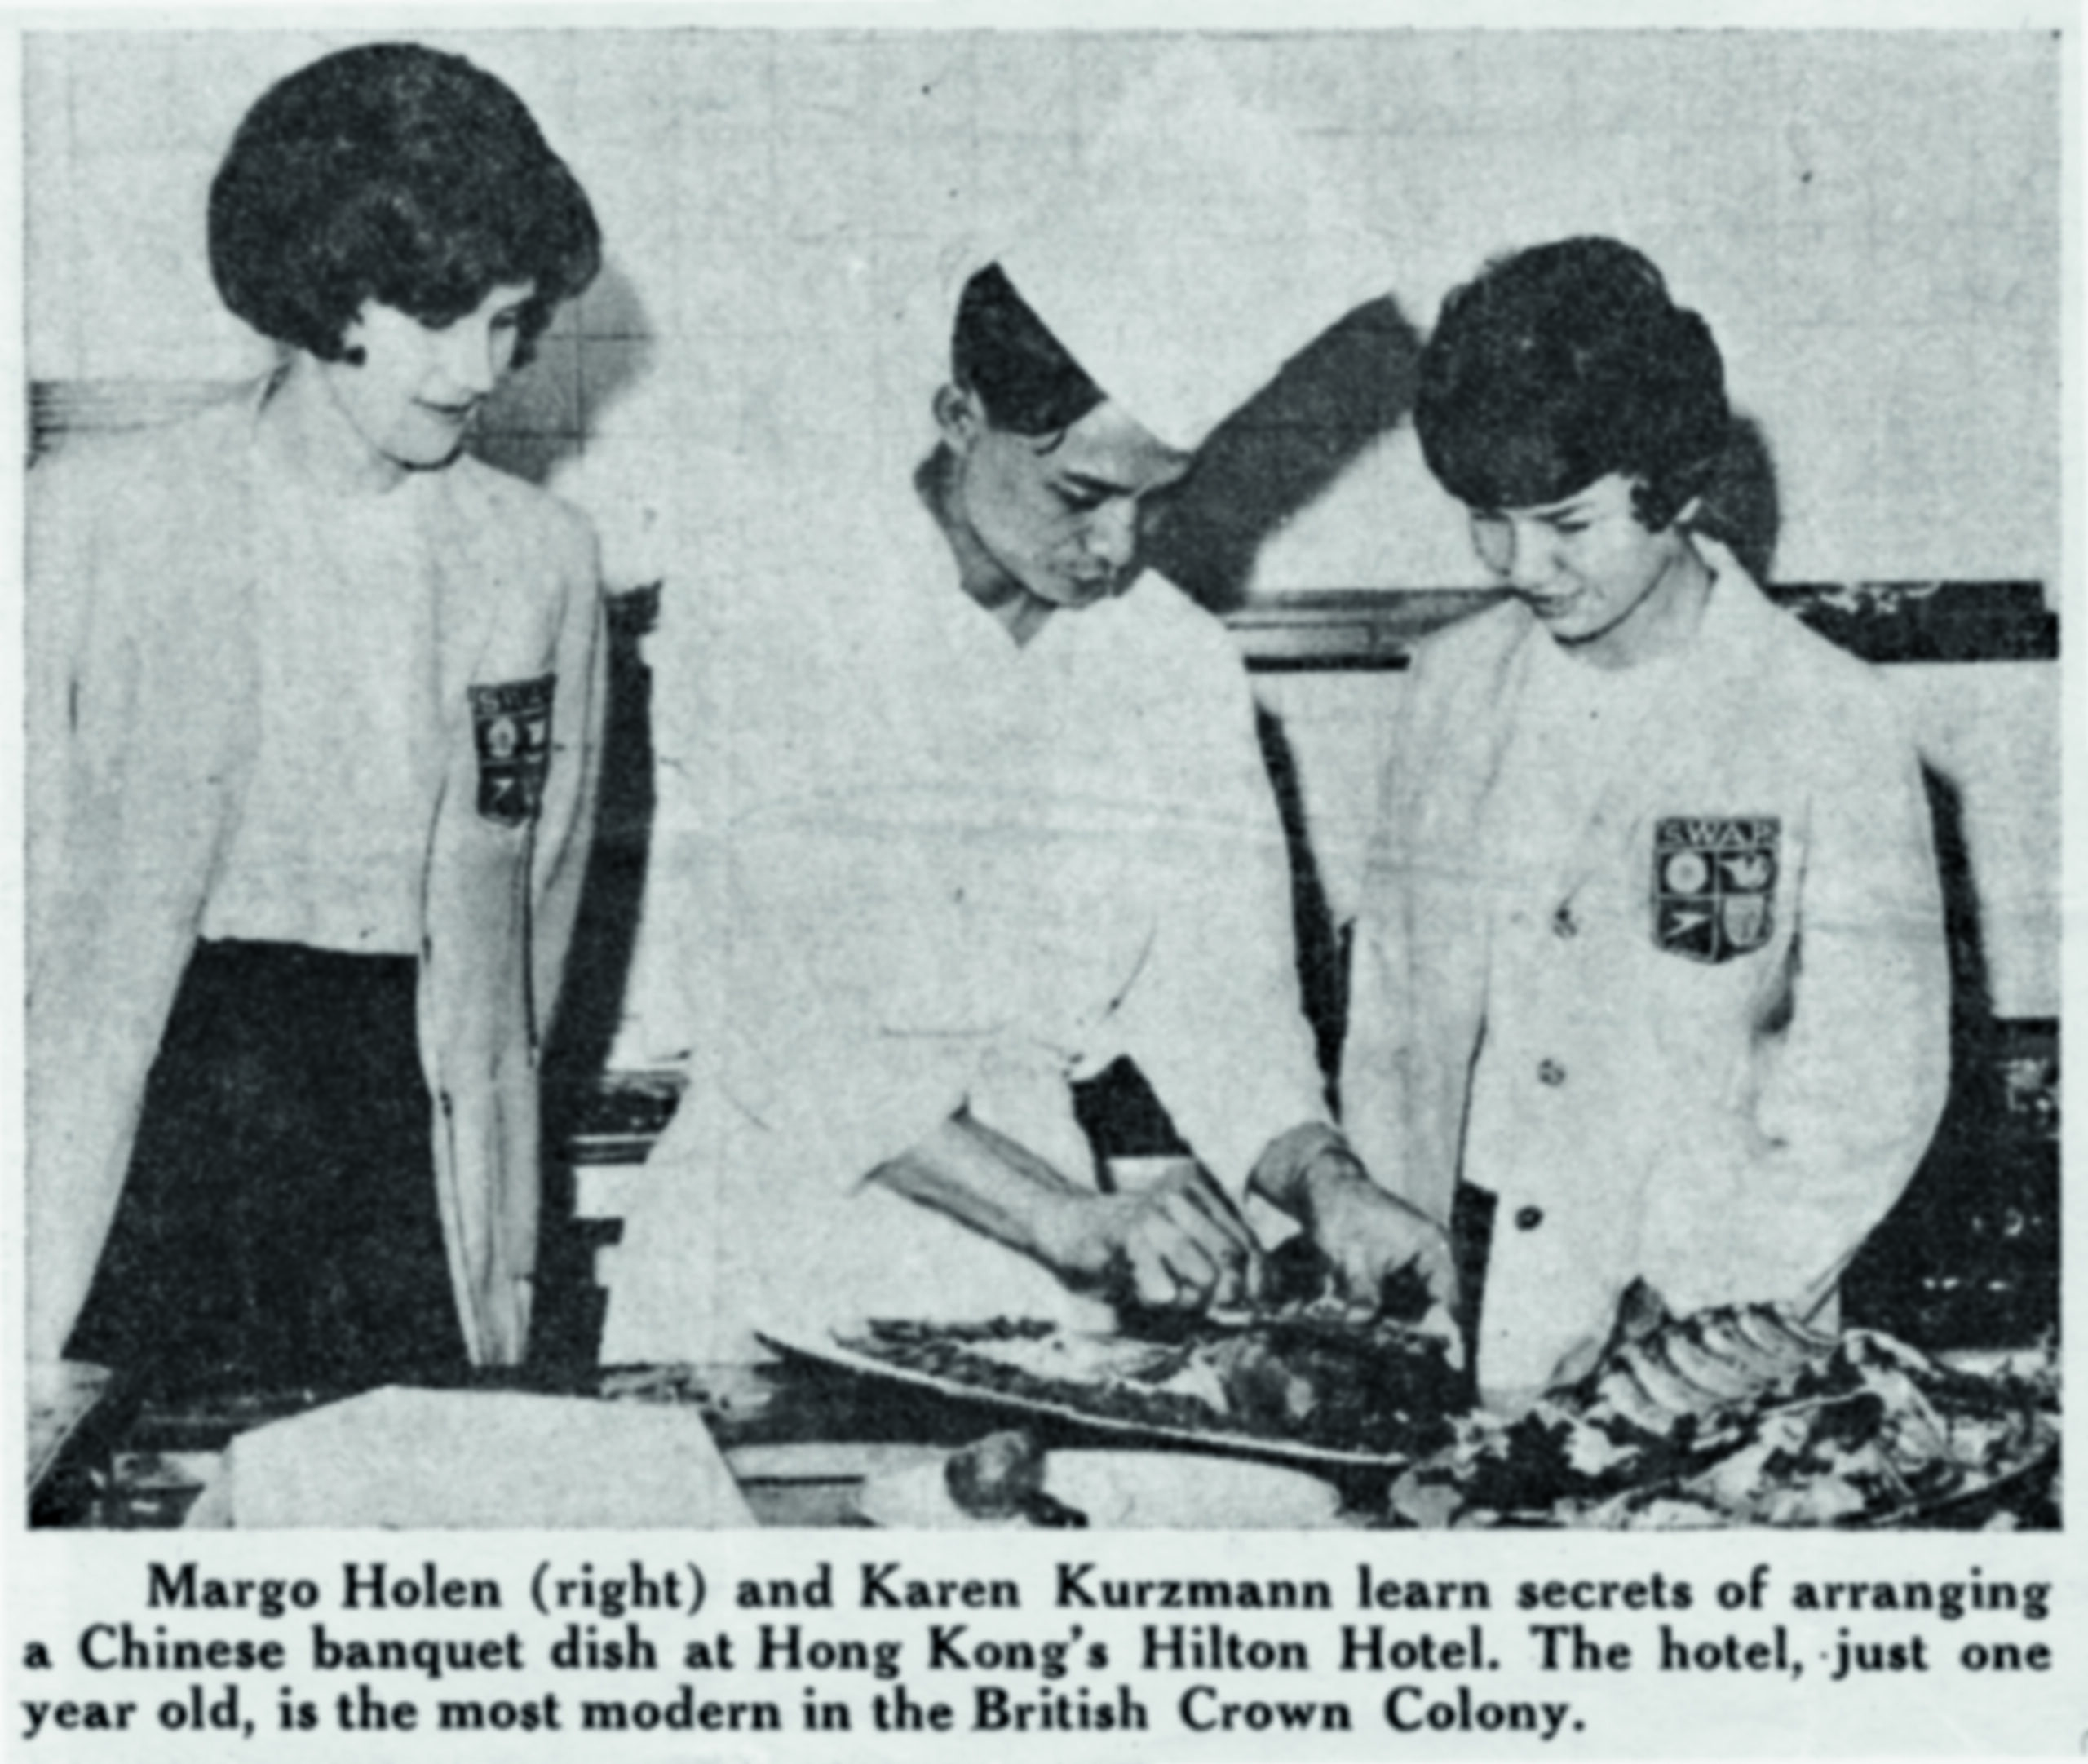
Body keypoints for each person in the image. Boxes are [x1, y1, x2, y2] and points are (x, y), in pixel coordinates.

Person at [601, 60, 1454, 1364]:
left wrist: (1328, 1181)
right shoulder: (776, 612)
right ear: (962, 417)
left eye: (1156, 501)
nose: (1117, 545)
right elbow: (782, 1025)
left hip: (1053, 1281)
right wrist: (1062, 1214)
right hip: (770, 1248)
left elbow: (1229, 1012)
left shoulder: (1170, 665)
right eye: (1078, 494)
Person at [28, 42, 607, 1389]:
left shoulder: (542, 559)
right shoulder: (90, 521)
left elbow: (544, 908)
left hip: (407, 1122)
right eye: (438, 317)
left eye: (511, 321)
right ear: (318, 286)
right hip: (159, 1104)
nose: (480, 367)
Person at [1340, 237, 1951, 1410]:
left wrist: (1686, 1311)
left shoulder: (1827, 715)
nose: (1525, 566)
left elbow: (1876, 1084)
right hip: (1457, 1310)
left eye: (1569, 523)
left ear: (1672, 486)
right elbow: (1391, 1003)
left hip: (1711, 1328)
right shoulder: (1449, 684)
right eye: (1488, 519)